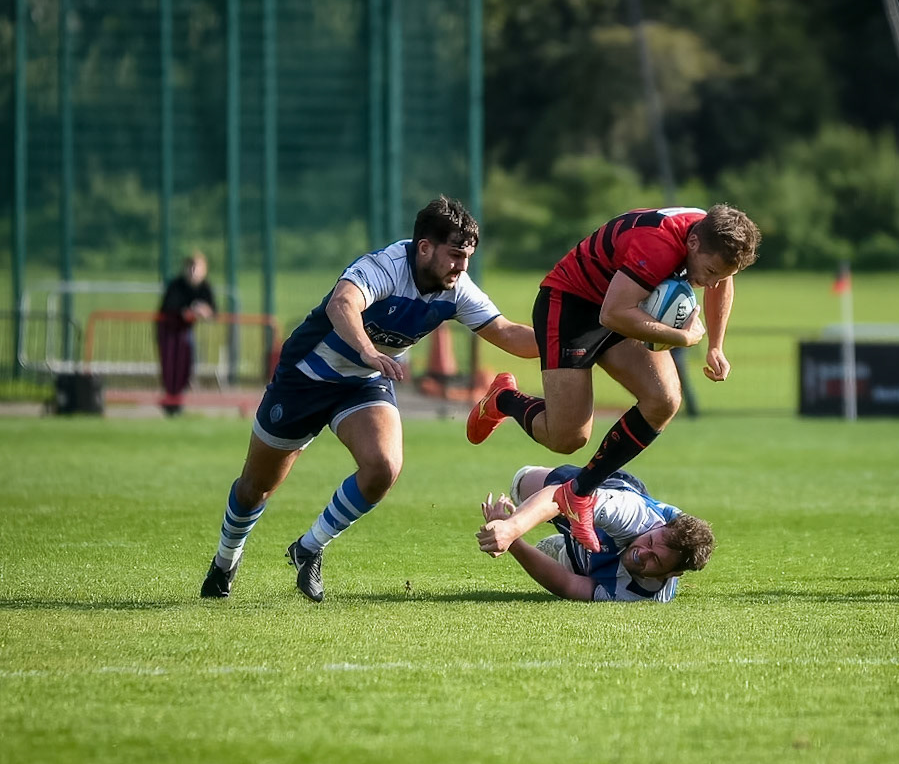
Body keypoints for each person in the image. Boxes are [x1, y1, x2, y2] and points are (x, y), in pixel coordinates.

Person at [200, 196, 538, 602]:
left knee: (383, 467)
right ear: (425, 247)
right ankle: (224, 562)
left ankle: (309, 548)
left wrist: (576, 347)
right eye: (454, 255)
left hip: (363, 382)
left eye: (467, 257)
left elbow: (507, 333)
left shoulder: (455, 289)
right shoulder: (386, 267)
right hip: (305, 377)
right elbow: (343, 303)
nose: (462, 267)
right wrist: (366, 349)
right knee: (256, 486)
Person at [466, 204, 759, 552]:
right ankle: (504, 398)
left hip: (625, 303)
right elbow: (613, 313)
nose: (709, 282)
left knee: (663, 400)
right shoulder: (659, 244)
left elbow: (721, 282)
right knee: (566, 438)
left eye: (720, 275)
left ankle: (579, 492)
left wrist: (716, 345)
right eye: (709, 271)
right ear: (693, 243)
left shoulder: (714, 236)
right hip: (573, 305)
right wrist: (683, 338)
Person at [476, 464, 714, 602]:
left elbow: (569, 585)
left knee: (577, 569)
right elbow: (561, 497)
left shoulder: (642, 596)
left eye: (656, 560)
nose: (643, 553)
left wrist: (515, 543)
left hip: (595, 559)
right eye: (650, 542)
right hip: (603, 493)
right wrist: (512, 526)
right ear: (657, 527)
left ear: (673, 573)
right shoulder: (631, 515)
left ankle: (568, 550)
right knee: (522, 484)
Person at [156, 251, 217, 415]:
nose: (193, 271)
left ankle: (178, 398)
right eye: (190, 267)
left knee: (185, 364)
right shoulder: (176, 285)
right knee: (170, 364)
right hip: (168, 329)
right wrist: (187, 312)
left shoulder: (205, 287)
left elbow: (213, 311)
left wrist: (205, 311)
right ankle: (171, 400)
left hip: (185, 331)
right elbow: (171, 308)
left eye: (196, 267)